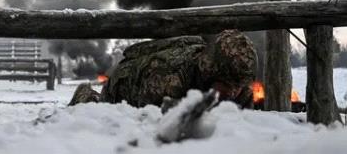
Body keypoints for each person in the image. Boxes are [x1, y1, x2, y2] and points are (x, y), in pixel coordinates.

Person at [69, 30, 257, 108]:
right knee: (102, 110)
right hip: (125, 86)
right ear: (210, 73)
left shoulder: (236, 86)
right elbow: (149, 126)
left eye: (238, 85)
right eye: (227, 85)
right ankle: (87, 96)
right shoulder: (169, 83)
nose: (233, 92)